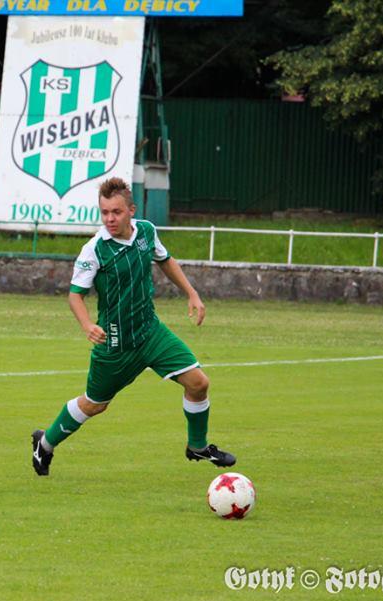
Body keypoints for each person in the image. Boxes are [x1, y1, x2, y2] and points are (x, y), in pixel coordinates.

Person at [31, 177, 236, 476]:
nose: (110, 219)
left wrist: (192, 293)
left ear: (131, 210)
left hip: (150, 332)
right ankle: (45, 444)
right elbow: (75, 295)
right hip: (115, 344)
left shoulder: (146, 232)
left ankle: (198, 446)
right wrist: (87, 324)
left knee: (199, 383)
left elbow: (165, 260)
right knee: (94, 405)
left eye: (116, 212)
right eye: (104, 213)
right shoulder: (95, 250)